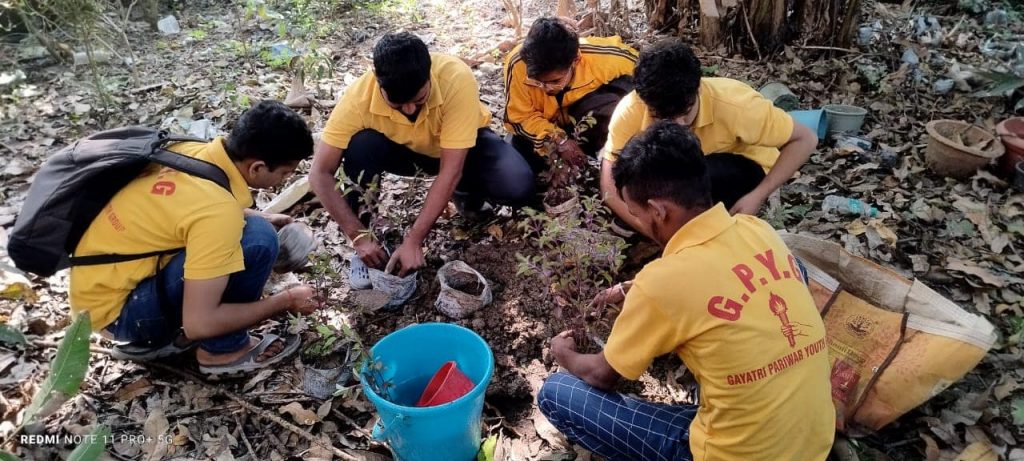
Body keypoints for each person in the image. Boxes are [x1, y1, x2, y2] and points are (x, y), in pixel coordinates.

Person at [538, 121, 834, 461]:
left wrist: (563, 352)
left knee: (557, 393)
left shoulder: (662, 282)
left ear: (659, 209)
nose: (638, 222)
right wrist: (632, 288)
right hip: (813, 444)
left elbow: (600, 375)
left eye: (636, 213)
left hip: (733, 455)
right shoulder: (758, 230)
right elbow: (720, 277)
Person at [71, 100, 321, 376]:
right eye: (285, 172)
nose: (285, 179)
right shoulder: (218, 214)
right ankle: (223, 350)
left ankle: (161, 339)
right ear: (257, 168)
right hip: (122, 315)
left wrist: (259, 215)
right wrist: (285, 300)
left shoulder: (189, 150)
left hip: (96, 296)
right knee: (259, 241)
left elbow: (186, 209)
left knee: (254, 228)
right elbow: (199, 324)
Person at [311, 32, 534, 289]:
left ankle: (464, 192)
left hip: (463, 149)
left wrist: (414, 240)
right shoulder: (357, 99)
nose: (409, 110)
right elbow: (319, 173)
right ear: (378, 82)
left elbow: (450, 170)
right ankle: (367, 247)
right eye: (397, 104)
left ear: (429, 75)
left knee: (516, 184)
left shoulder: (455, 77)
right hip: (406, 153)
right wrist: (357, 236)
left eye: (418, 99)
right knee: (360, 146)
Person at [600, 38, 816, 235]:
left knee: (698, 181)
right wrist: (646, 228)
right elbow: (609, 181)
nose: (678, 125)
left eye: (685, 113)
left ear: (699, 89)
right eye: (662, 118)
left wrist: (758, 195)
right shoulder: (630, 110)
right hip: (675, 170)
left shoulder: (738, 106)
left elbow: (805, 139)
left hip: (734, 167)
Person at [504, 17, 637, 171]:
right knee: (518, 173)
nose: (546, 89)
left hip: (587, 122)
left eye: (555, 81)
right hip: (542, 130)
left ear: (576, 61)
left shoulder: (608, 59)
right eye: (537, 82)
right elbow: (519, 117)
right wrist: (558, 140)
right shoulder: (518, 64)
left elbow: (649, 80)